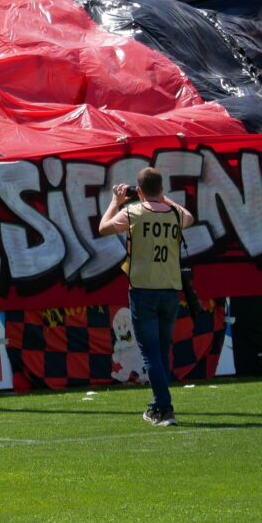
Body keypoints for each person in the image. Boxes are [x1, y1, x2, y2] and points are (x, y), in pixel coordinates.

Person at [97, 167, 200, 427]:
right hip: (170, 289)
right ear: (161, 188)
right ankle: (157, 404)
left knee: (150, 353)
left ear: (139, 191)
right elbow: (189, 216)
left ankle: (164, 409)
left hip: (143, 290)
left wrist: (115, 201)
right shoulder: (174, 213)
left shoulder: (133, 212)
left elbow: (103, 228)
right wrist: (162, 198)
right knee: (161, 351)